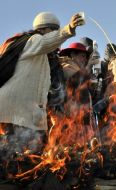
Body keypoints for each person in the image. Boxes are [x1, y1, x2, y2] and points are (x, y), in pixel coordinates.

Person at [0, 12, 84, 155]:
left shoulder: (43, 57)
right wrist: (68, 29)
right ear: (44, 29)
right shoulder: (33, 40)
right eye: (53, 31)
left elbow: (48, 87)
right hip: (15, 109)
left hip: (24, 111)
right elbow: (46, 42)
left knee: (25, 154)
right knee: (12, 153)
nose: (54, 36)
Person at [59, 42, 98, 141]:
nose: (84, 60)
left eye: (86, 57)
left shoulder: (82, 70)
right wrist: (89, 67)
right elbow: (76, 82)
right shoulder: (66, 65)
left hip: (83, 118)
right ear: (72, 55)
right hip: (70, 119)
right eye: (82, 56)